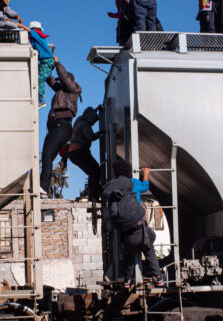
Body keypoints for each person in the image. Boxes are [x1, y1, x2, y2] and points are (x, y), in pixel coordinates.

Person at [103, 159, 164, 289]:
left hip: (125, 228)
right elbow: (145, 186)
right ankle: (158, 277)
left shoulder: (114, 186)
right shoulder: (133, 183)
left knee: (128, 254)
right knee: (149, 248)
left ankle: (127, 280)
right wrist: (146, 173)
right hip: (139, 222)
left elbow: (105, 194)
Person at [40, 59, 82, 197]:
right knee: (47, 157)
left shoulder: (73, 89)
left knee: (47, 156)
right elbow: (50, 80)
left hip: (62, 126)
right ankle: (43, 188)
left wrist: (57, 63)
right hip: (56, 128)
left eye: (63, 80)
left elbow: (63, 76)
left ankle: (43, 188)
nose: (60, 82)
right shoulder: (61, 91)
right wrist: (46, 65)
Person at [15, 20, 55, 108]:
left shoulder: (37, 34)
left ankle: (40, 100)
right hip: (45, 61)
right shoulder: (37, 38)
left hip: (47, 61)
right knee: (37, 77)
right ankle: (39, 97)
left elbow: (26, 29)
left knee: (39, 79)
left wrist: (15, 24)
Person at [68, 106, 103, 201]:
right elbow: (91, 136)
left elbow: (89, 112)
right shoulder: (85, 125)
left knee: (94, 171)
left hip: (74, 153)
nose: (93, 123)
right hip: (79, 152)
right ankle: (94, 194)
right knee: (94, 171)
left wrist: (96, 109)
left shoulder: (80, 119)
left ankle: (96, 190)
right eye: (93, 121)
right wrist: (101, 133)